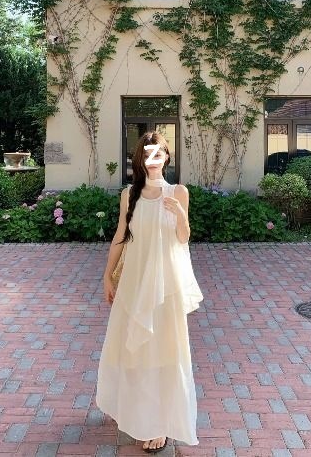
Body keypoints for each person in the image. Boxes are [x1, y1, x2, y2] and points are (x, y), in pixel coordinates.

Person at [96, 131, 204, 453]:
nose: (153, 159)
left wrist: (180, 214)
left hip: (165, 287)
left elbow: (183, 238)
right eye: (146, 154)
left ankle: (159, 423)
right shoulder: (129, 195)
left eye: (158, 153)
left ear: (166, 157)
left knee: (164, 351)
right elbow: (120, 235)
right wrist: (107, 276)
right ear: (140, 160)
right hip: (134, 282)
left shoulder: (178, 192)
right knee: (132, 349)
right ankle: (132, 409)